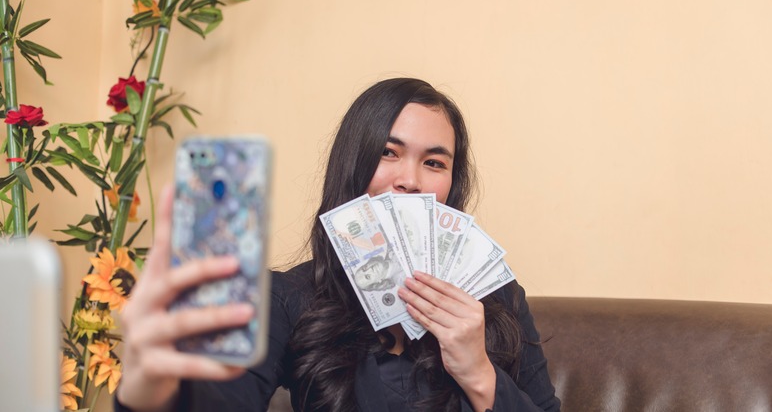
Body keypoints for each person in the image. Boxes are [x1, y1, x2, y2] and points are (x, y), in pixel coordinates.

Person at [116, 77, 561, 412]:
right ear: (353, 167)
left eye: (433, 161)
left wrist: (479, 373)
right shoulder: (289, 298)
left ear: (450, 184)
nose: (409, 179)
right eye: (389, 152)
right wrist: (149, 385)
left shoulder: (496, 300)